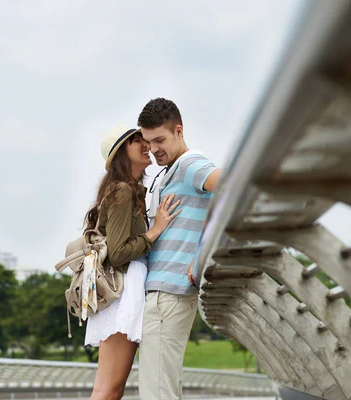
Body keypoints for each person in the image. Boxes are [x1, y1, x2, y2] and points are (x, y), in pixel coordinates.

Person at [84, 124, 181, 400]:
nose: (145, 145)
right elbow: (117, 253)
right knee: (109, 390)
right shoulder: (122, 191)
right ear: (120, 154)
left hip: (127, 288)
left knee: (110, 389)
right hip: (123, 291)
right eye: (135, 141)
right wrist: (155, 230)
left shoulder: (130, 190)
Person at [137, 98, 222, 400]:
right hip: (167, 293)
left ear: (178, 131)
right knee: (161, 387)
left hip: (167, 293)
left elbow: (233, 186)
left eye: (159, 139)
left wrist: (204, 256)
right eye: (147, 143)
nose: (153, 149)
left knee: (157, 391)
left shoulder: (189, 165)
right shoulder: (172, 171)